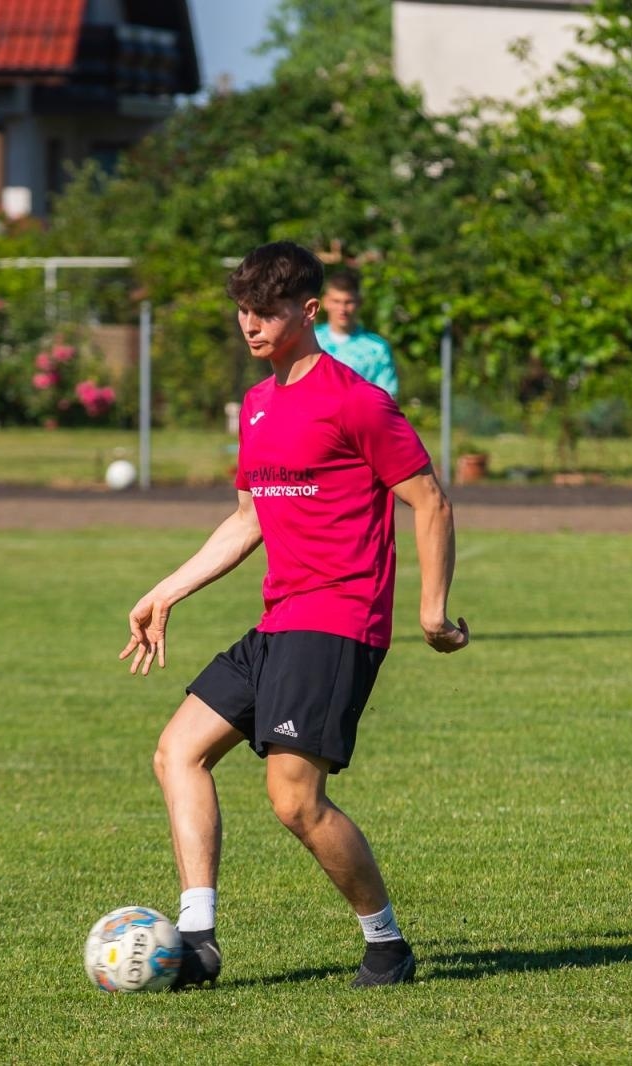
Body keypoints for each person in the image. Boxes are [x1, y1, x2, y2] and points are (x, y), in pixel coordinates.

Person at [120, 241, 468, 990]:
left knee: (293, 800)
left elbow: (430, 500)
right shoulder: (256, 404)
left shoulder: (356, 400)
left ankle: (386, 945)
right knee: (177, 751)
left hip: (339, 621)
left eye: (266, 312)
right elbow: (250, 518)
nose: (249, 325)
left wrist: (433, 614)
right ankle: (198, 941)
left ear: (307, 312)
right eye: (242, 310)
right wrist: (167, 590)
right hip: (281, 620)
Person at [315, 269, 399, 398]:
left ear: (359, 302)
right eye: (336, 301)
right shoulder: (309, 340)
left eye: (348, 302)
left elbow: (386, 398)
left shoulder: (377, 348)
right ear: (325, 302)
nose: (342, 309)